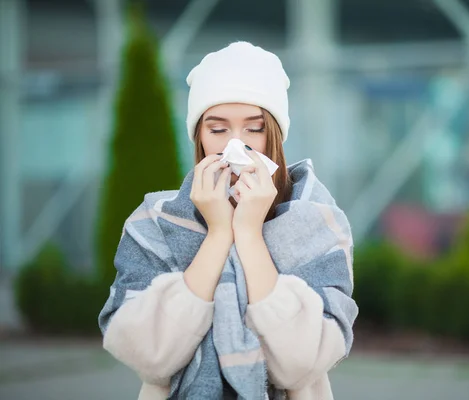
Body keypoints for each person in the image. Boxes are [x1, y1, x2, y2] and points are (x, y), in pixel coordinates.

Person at [98, 41, 358, 400]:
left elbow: (302, 363)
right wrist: (219, 233)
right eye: (218, 130)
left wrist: (249, 235)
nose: (236, 147)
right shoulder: (154, 224)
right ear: (199, 137)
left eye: (254, 130)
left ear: (275, 137)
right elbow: (147, 354)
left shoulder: (315, 223)